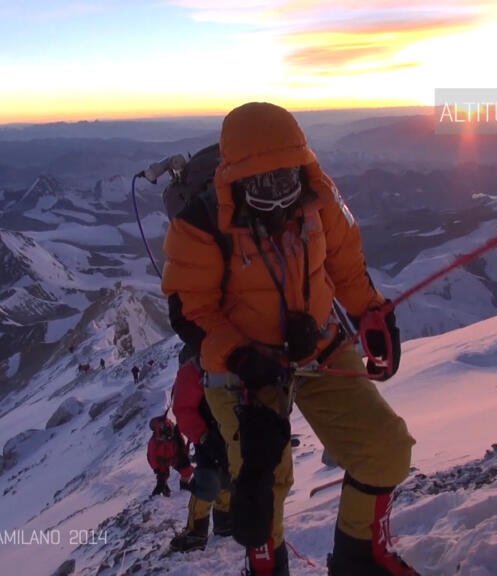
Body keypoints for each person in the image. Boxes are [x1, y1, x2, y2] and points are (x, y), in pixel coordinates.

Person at [162, 102, 417, 575]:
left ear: (303, 164)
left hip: (317, 349)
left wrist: (371, 314)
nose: (279, 194)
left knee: (384, 448)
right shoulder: (199, 224)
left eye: (286, 177)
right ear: (235, 178)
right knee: (264, 481)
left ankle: (361, 560)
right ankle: (266, 567)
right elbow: (192, 312)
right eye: (263, 183)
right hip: (244, 371)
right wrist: (242, 358)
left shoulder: (319, 198)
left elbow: (346, 265)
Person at [167, 347, 233, 552]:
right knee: (210, 481)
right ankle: (200, 530)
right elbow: (184, 411)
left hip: (218, 433)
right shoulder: (195, 370)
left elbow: (184, 411)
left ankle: (214, 525)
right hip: (213, 435)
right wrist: (204, 437)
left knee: (225, 477)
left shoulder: (194, 369)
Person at [146, 415, 193, 498]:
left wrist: (156, 468)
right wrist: (156, 468)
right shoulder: (155, 440)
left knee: (186, 470)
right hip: (164, 461)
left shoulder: (155, 440)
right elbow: (151, 456)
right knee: (162, 479)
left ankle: (182, 489)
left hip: (172, 458)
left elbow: (151, 456)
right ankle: (161, 493)